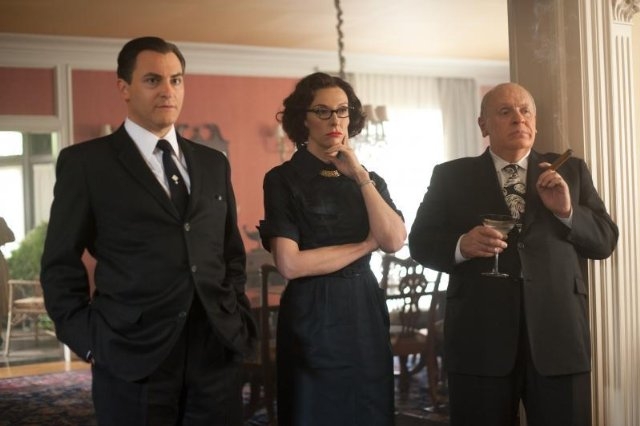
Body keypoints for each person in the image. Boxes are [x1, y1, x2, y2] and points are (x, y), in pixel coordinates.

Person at [40, 36, 256, 425]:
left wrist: (236, 315)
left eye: (176, 80)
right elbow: (59, 263)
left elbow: (229, 252)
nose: (168, 91)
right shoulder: (86, 164)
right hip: (130, 354)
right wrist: (88, 341)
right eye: (153, 80)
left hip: (215, 350)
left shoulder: (213, 163)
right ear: (124, 87)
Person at [408, 82, 618, 426]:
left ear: (535, 122)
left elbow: (605, 241)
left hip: (559, 339)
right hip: (479, 338)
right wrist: (461, 246)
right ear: (483, 125)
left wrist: (567, 212)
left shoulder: (571, 171)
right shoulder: (450, 176)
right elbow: (420, 242)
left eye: (525, 111)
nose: (518, 118)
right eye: (505, 112)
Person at [258, 72, 406, 426]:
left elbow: (393, 240)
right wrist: (365, 245)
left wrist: (360, 176)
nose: (335, 120)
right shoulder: (282, 179)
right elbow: (290, 264)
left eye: (342, 110)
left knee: (370, 410)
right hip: (311, 312)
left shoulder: (370, 179)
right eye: (322, 111)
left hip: (365, 307)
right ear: (303, 119)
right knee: (314, 412)